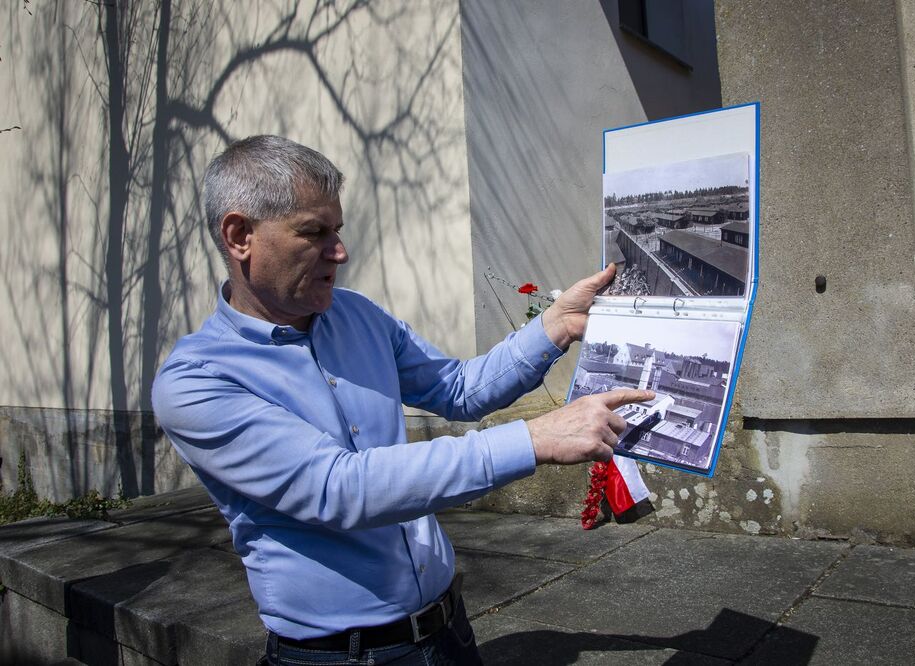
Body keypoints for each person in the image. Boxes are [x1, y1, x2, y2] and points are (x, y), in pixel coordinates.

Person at [151, 135, 653, 665]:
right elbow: (339, 488)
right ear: (239, 237)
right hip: (340, 657)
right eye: (314, 232)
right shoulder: (196, 381)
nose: (340, 251)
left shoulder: (357, 315)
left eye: (337, 230)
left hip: (449, 632)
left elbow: (458, 389)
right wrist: (534, 439)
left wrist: (555, 326)